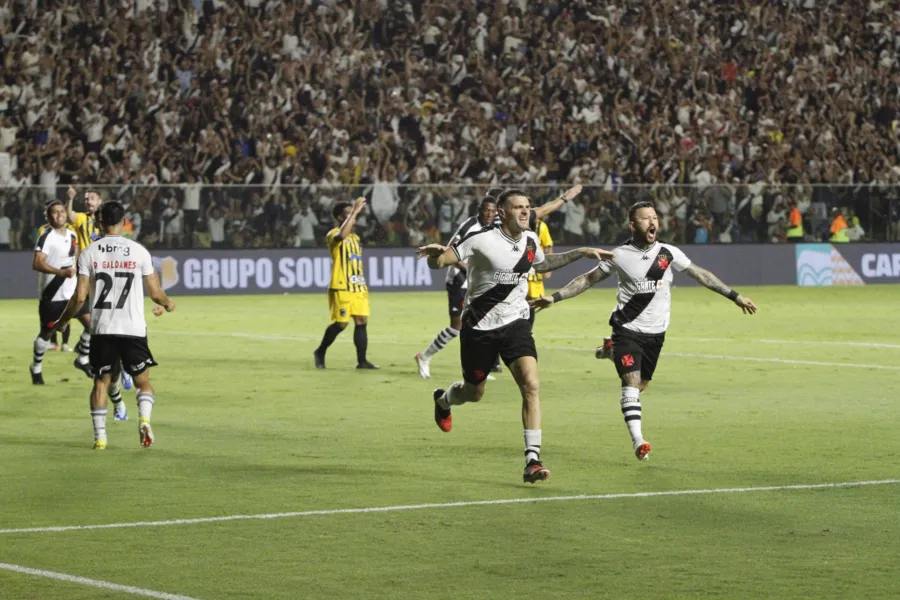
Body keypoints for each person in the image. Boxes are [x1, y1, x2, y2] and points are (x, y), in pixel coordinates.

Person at [529, 201, 758, 462]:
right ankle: (639, 440)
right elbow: (587, 279)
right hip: (626, 328)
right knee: (631, 384)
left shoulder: (667, 253)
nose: (652, 222)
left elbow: (700, 274)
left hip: (656, 333)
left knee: (642, 385)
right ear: (632, 225)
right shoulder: (619, 255)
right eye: (645, 218)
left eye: (654, 217)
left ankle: (610, 351)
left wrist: (734, 296)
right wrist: (555, 297)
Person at [417, 189, 613, 483]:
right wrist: (434, 257)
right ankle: (443, 400)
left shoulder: (531, 240)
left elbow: (543, 264)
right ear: (502, 212)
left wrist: (580, 253)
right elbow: (442, 260)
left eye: (527, 207)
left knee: (531, 385)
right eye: (518, 207)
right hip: (480, 325)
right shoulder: (480, 238)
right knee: (474, 393)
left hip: (516, 322)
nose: (525, 212)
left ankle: (532, 460)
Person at [415, 185, 581, 379]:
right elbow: (449, 251)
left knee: (499, 313)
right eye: (490, 207)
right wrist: (472, 268)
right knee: (458, 325)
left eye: (494, 208)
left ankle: (489, 364)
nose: (491, 212)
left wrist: (564, 198)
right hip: (460, 279)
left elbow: (542, 210)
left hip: (487, 280)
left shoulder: (512, 224)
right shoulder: (472, 227)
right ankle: (425, 356)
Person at [52, 201, 176, 449]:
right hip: (133, 329)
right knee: (143, 382)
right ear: (123, 222)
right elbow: (155, 293)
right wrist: (168, 303)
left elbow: (79, 297)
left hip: (103, 329)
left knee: (101, 383)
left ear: (100, 222)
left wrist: (63, 321)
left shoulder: (90, 253)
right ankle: (144, 419)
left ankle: (100, 438)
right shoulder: (139, 251)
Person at [67, 185, 135, 392]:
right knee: (101, 320)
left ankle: (87, 354)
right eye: (87, 199)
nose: (88, 202)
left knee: (103, 320)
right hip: (89, 274)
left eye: (93, 199)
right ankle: (109, 362)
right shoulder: (81, 219)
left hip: (106, 274)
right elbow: (70, 216)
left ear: (100, 202)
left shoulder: (108, 224)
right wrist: (69, 198)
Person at [313, 197, 379, 370]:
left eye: (353, 213)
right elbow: (341, 235)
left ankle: (362, 361)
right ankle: (320, 351)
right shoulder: (333, 234)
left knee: (361, 321)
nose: (354, 216)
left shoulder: (356, 239)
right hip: (342, 286)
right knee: (341, 324)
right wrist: (356, 210)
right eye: (348, 214)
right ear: (340, 218)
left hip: (358, 286)